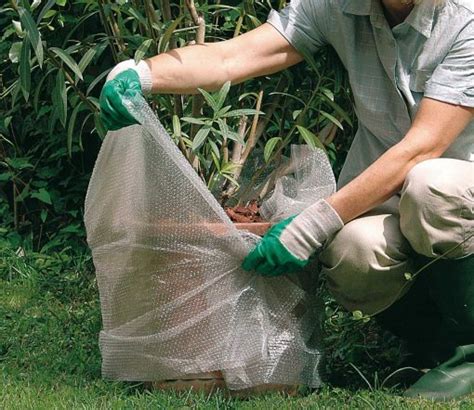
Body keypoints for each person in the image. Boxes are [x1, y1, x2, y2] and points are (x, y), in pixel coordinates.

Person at [99, 0, 474, 400]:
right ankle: (438, 349)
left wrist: (310, 226)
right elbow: (230, 58)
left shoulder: (464, 18)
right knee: (353, 254)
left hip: (454, 184)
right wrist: (144, 73)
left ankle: (471, 353)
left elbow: (422, 148)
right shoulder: (340, 5)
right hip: (392, 192)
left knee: (429, 186)